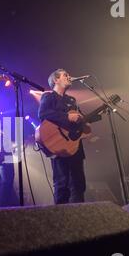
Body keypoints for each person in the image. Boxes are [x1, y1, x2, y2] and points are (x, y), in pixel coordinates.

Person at [38, 69, 88, 204]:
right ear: (56, 80)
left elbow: (79, 120)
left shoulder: (72, 100)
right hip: (58, 145)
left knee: (79, 185)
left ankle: (80, 219)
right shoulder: (48, 97)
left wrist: (84, 123)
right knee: (62, 184)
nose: (69, 76)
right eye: (65, 75)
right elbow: (43, 114)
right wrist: (67, 117)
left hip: (74, 146)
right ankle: (61, 220)